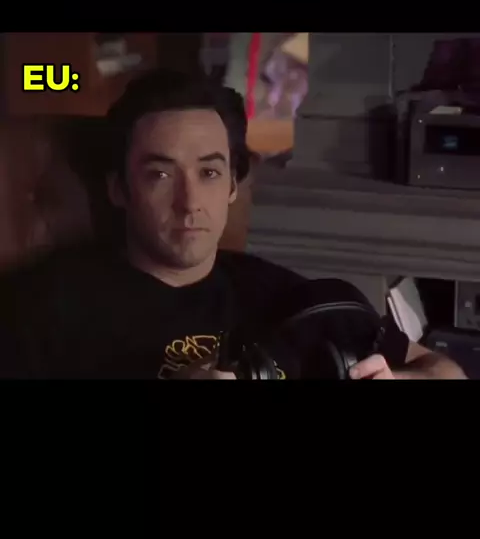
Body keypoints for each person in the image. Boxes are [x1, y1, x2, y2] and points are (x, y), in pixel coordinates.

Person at [0, 69, 466, 380]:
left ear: (231, 187)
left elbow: (444, 370)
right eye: (160, 175)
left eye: (208, 173)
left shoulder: (289, 297)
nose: (189, 203)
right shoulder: (43, 308)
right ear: (118, 189)